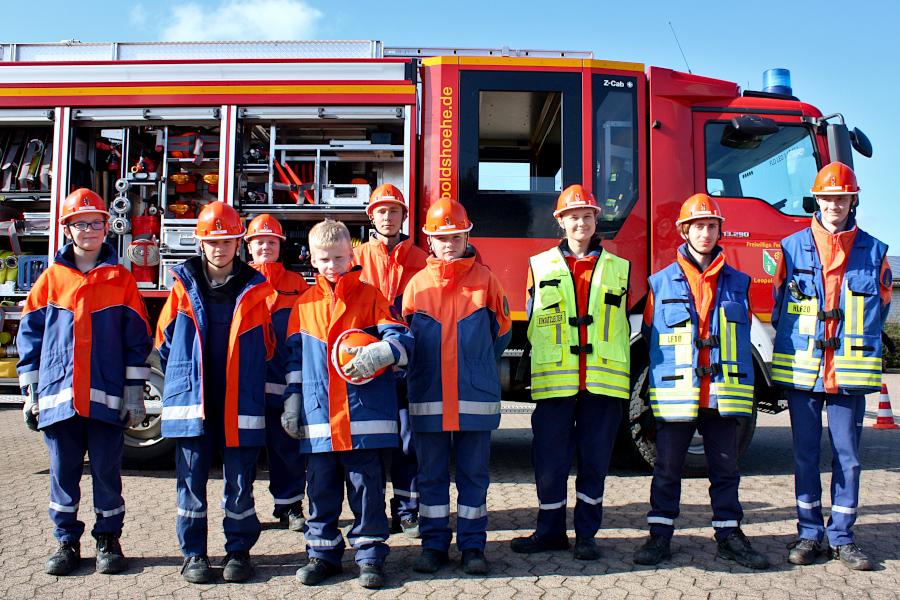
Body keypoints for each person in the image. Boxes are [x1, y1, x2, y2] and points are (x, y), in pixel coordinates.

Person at [16, 188, 152, 576]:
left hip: (106, 398)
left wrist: (132, 394)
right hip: (60, 397)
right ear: (68, 229)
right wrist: (31, 394)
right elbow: (30, 338)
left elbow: (136, 340)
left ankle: (108, 539)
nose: (89, 230)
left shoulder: (121, 280)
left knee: (107, 472)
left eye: (96, 223)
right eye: (81, 223)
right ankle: (66, 541)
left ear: (107, 228)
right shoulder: (50, 280)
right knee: (63, 472)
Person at [632, 193, 769, 569]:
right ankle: (659, 536)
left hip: (722, 395)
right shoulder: (659, 284)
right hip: (678, 395)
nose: (705, 233)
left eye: (711, 226)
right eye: (698, 226)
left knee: (725, 469)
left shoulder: (739, 282)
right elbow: (649, 336)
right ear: (684, 230)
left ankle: (729, 536)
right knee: (666, 469)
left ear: (719, 231)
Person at [282, 219, 413, 589]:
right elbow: (294, 361)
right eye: (324, 259)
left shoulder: (371, 297)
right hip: (319, 420)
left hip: (362, 422)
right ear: (312, 260)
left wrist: (385, 351)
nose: (332, 266)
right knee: (320, 491)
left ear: (351, 254)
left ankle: (370, 557)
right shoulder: (304, 304)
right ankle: (322, 555)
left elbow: (401, 337)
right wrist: (292, 401)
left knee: (366, 489)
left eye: (339, 258)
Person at [772, 162, 891, 570]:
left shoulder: (875, 252)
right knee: (805, 456)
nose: (834, 204)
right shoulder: (790, 247)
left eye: (841, 197)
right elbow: (778, 309)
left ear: (852, 200)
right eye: (827, 197)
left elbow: (882, 305)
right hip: (804, 371)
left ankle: (842, 536)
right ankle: (809, 534)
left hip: (848, 373)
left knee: (848, 457)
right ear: (816, 199)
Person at [156, 201, 275, 584]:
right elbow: (164, 341)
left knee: (239, 482)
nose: (220, 248)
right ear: (201, 244)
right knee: (191, 480)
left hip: (239, 402)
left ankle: (238, 551)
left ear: (239, 242)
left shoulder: (256, 290)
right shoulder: (182, 289)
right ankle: (194, 555)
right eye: (213, 241)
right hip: (196, 402)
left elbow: (269, 346)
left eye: (227, 241)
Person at [511, 184, 629, 561]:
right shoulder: (538, 266)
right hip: (554, 383)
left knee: (595, 462)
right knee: (549, 462)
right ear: (560, 222)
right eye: (573, 217)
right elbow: (531, 320)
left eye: (587, 216)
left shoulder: (620, 268)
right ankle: (549, 532)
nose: (581, 223)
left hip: (603, 383)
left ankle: (587, 535)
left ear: (597, 221)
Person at [403, 198, 511, 575]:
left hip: (472, 400)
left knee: (473, 478)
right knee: (430, 477)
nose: (449, 243)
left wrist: (475, 366)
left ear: (467, 235)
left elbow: (502, 335)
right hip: (430, 398)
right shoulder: (416, 286)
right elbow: (406, 340)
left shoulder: (487, 280)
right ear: (429, 240)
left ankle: (472, 546)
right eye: (441, 236)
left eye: (456, 235)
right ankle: (433, 545)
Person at [353, 183, 428, 538]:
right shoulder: (355, 257)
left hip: (405, 362)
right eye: (381, 211)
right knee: (368, 443)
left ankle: (407, 510)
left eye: (394, 210)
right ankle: (370, 513)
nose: (387, 216)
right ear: (371, 216)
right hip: (366, 363)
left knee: (406, 439)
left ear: (404, 216)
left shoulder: (422, 258)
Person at [245, 213, 309, 532]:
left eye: (271, 242)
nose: (265, 247)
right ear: (248, 246)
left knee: (287, 449)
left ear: (280, 246)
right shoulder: (237, 282)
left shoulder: (296, 285)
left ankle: (290, 507)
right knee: (242, 451)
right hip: (244, 385)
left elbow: (302, 336)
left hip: (282, 381)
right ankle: (242, 510)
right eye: (260, 242)